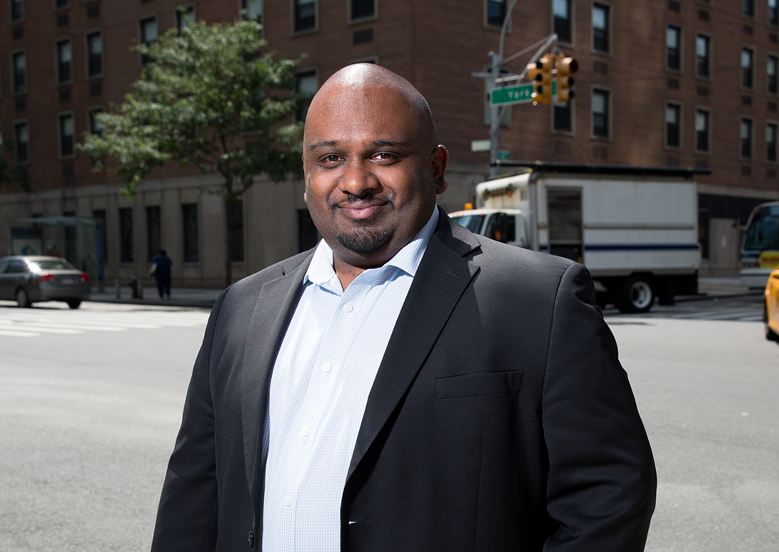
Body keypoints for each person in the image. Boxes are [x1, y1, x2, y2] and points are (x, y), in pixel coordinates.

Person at [151, 64, 656, 552]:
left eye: (384, 155)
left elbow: (608, 493)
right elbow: (195, 491)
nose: (355, 182)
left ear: (436, 169)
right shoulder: (242, 307)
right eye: (330, 159)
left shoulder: (539, 300)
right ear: (305, 175)